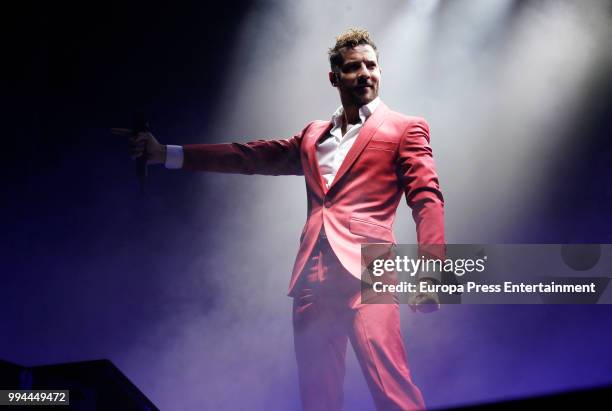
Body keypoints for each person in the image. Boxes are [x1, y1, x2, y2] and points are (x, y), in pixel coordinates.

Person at [114, 27, 444, 411]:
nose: (366, 73)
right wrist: (166, 153)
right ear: (334, 77)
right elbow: (249, 157)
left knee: (392, 392)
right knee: (317, 401)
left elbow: (427, 198)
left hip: (369, 272)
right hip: (311, 279)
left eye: (372, 65)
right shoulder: (313, 136)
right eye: (354, 67)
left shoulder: (405, 127)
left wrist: (432, 273)